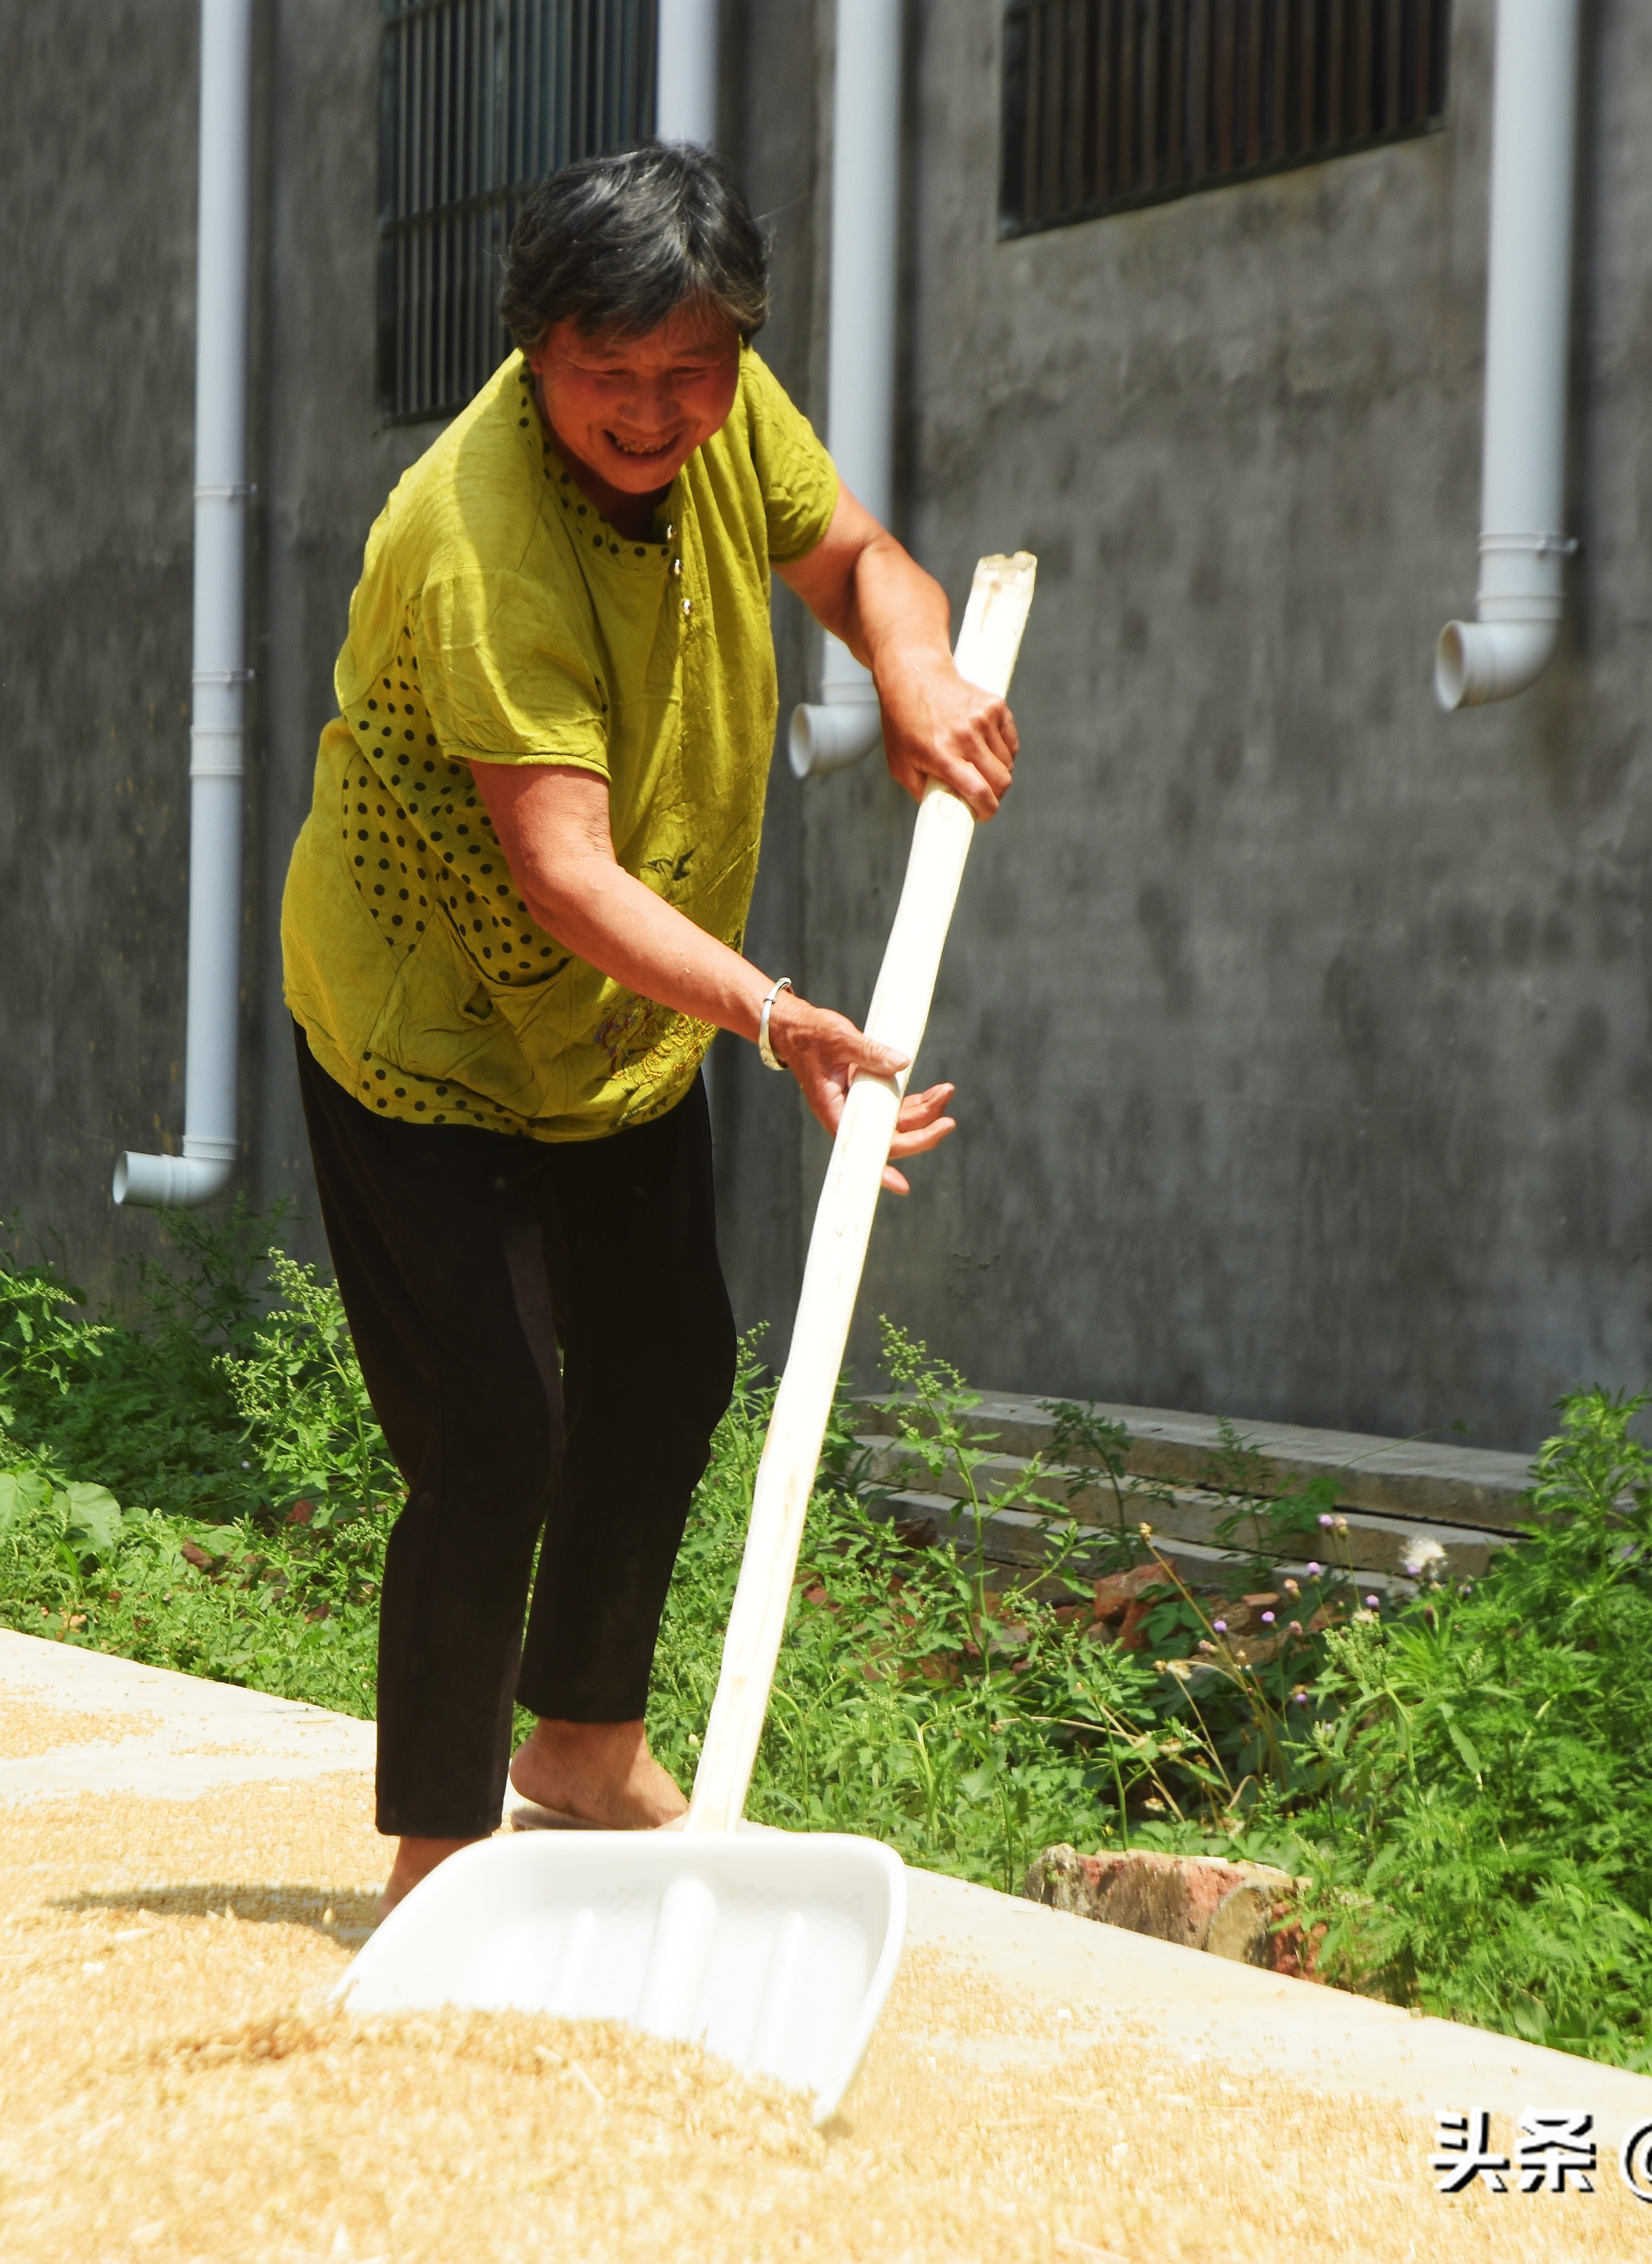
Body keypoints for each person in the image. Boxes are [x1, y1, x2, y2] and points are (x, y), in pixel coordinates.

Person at [276, 144, 1020, 1912]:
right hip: (427, 1036)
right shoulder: (478, 539)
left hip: (614, 1036)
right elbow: (561, 869)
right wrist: (773, 1015)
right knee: (493, 1432)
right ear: (536, 346)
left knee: (671, 1359)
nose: (656, 411)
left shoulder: (721, 406)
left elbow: (855, 563)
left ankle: (586, 1748)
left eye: (690, 372)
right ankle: (439, 1862)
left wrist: (909, 657)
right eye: (612, 377)